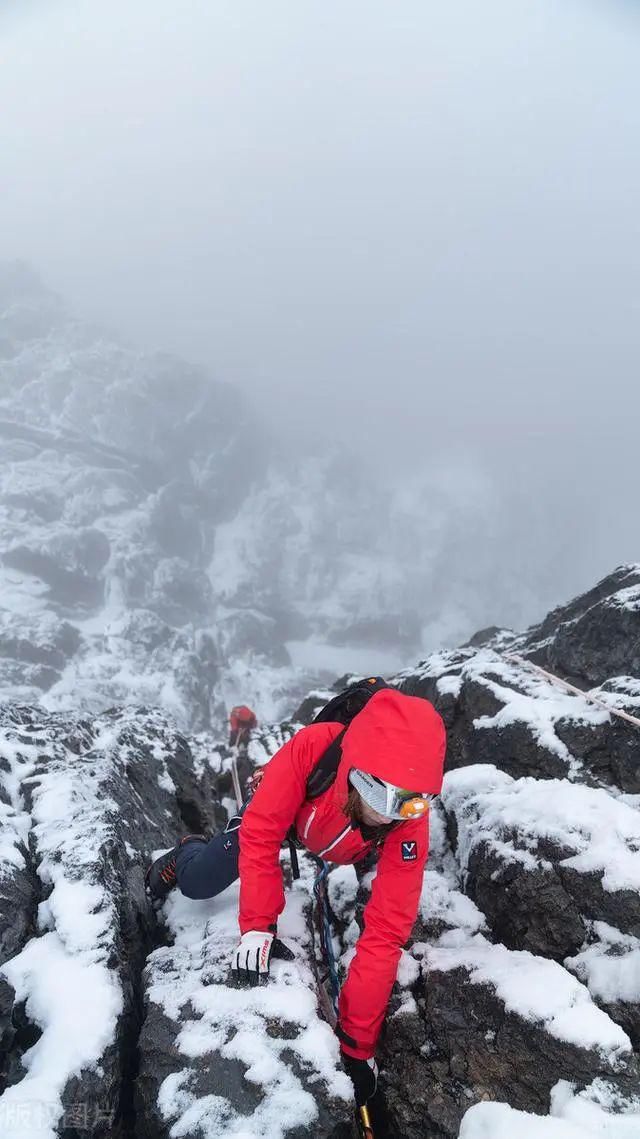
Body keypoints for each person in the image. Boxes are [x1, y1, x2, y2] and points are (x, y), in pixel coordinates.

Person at [145, 688, 445, 1111]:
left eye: (412, 804)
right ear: (358, 772)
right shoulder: (315, 747)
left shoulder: (404, 820)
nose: (394, 815)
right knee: (197, 882)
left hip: (343, 841)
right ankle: (187, 849)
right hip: (285, 815)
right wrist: (257, 926)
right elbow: (263, 833)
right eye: (382, 797)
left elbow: (386, 932)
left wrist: (357, 1048)